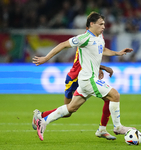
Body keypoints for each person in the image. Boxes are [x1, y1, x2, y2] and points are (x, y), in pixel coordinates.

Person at [32, 11, 133, 141]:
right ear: (92, 24)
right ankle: (118, 127)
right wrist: (46, 58)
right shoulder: (84, 38)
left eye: (104, 24)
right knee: (115, 95)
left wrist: (117, 53)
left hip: (87, 80)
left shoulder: (100, 37)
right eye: (101, 24)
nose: (104, 27)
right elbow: (63, 45)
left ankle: (43, 121)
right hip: (87, 79)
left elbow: (102, 49)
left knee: (71, 108)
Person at [32, 47, 116, 140]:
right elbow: (84, 60)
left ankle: (102, 129)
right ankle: (40, 116)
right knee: (68, 111)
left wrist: (98, 69)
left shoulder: (97, 37)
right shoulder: (85, 39)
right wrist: (103, 67)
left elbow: (92, 59)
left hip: (86, 78)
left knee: (109, 98)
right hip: (74, 79)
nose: (102, 31)